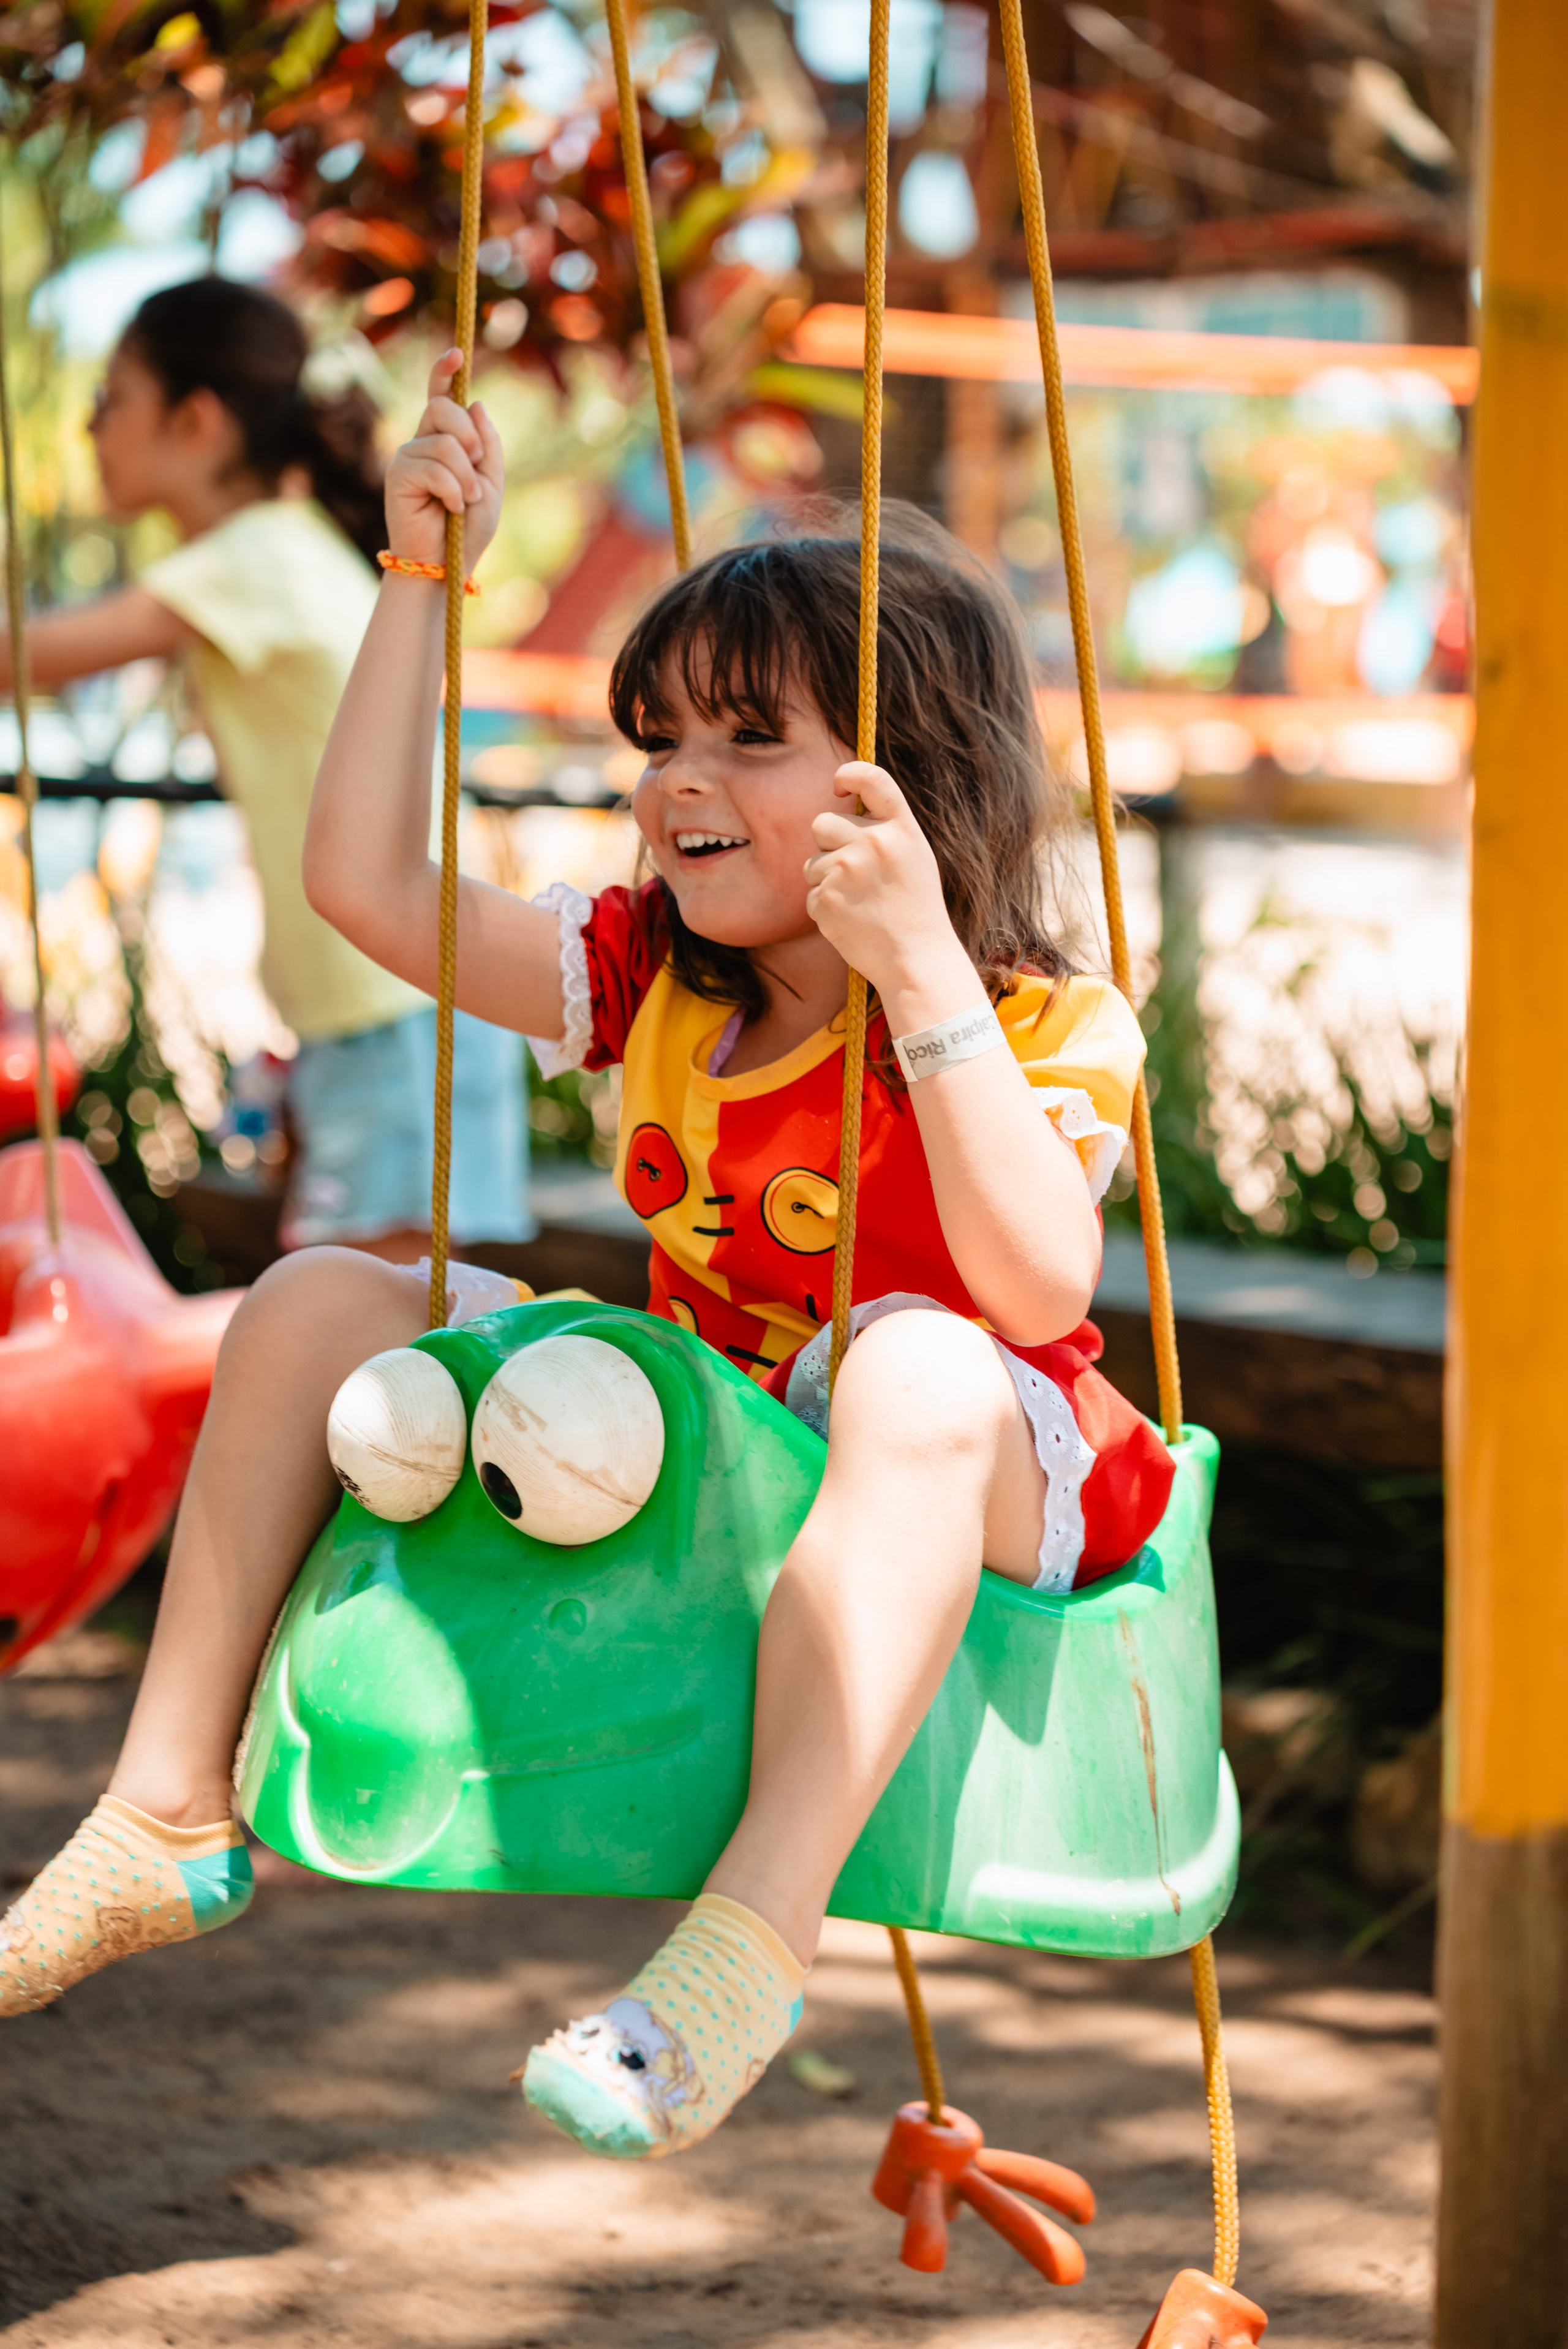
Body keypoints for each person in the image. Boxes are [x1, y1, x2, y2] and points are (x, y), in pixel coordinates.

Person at [0, 354, 1174, 2166]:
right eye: (659, 743)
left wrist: (927, 979)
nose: (677, 784)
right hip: (718, 1440)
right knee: (320, 1297)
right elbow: (366, 884)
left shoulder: (1038, 1016)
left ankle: (747, 1949)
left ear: (903, 780)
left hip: (986, 1458)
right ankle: (164, 1809)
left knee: (918, 1360)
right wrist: (418, 584)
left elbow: (1031, 1294)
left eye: (746, 742)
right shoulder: (643, 972)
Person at [1, 276, 530, 1259]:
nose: (88, 425)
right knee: (378, 1330)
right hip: (389, 997)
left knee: (373, 1343)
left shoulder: (256, 556)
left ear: (194, 421)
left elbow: (19, 659)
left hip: (395, 1006)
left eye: (110, 397)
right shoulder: (283, 548)